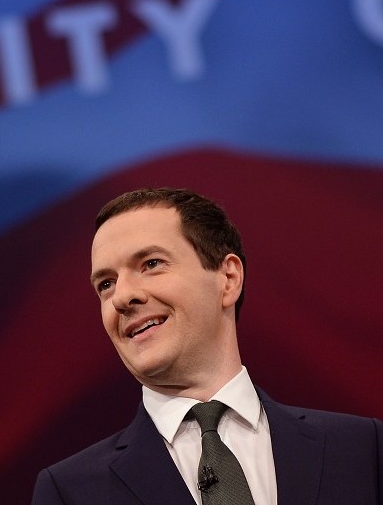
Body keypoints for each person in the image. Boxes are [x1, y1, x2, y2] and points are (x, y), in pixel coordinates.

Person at [31, 187, 383, 505]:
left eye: (151, 264)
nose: (122, 296)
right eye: (106, 284)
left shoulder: (362, 449)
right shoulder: (70, 491)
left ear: (228, 279)